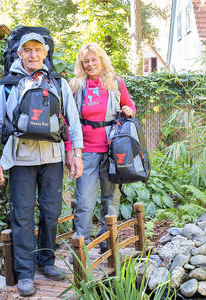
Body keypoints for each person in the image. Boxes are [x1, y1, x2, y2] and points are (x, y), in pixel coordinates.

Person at [0, 32, 83, 296]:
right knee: (22, 216)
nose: (32, 55)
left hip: (53, 157)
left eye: (37, 50)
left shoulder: (58, 83)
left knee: (51, 212)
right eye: (27, 50)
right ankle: (26, 273)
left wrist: (77, 154)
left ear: (45, 53)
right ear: (19, 54)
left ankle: (47, 261)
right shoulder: (7, 85)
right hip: (20, 159)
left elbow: (72, 121)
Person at [69, 42, 136, 255]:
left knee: (111, 198)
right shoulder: (76, 86)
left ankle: (108, 242)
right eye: (86, 61)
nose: (90, 64)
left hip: (112, 150)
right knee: (84, 200)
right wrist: (71, 151)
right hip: (86, 150)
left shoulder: (115, 82)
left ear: (101, 60)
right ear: (82, 64)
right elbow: (67, 120)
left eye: (94, 60)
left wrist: (128, 110)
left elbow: (131, 107)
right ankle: (82, 246)